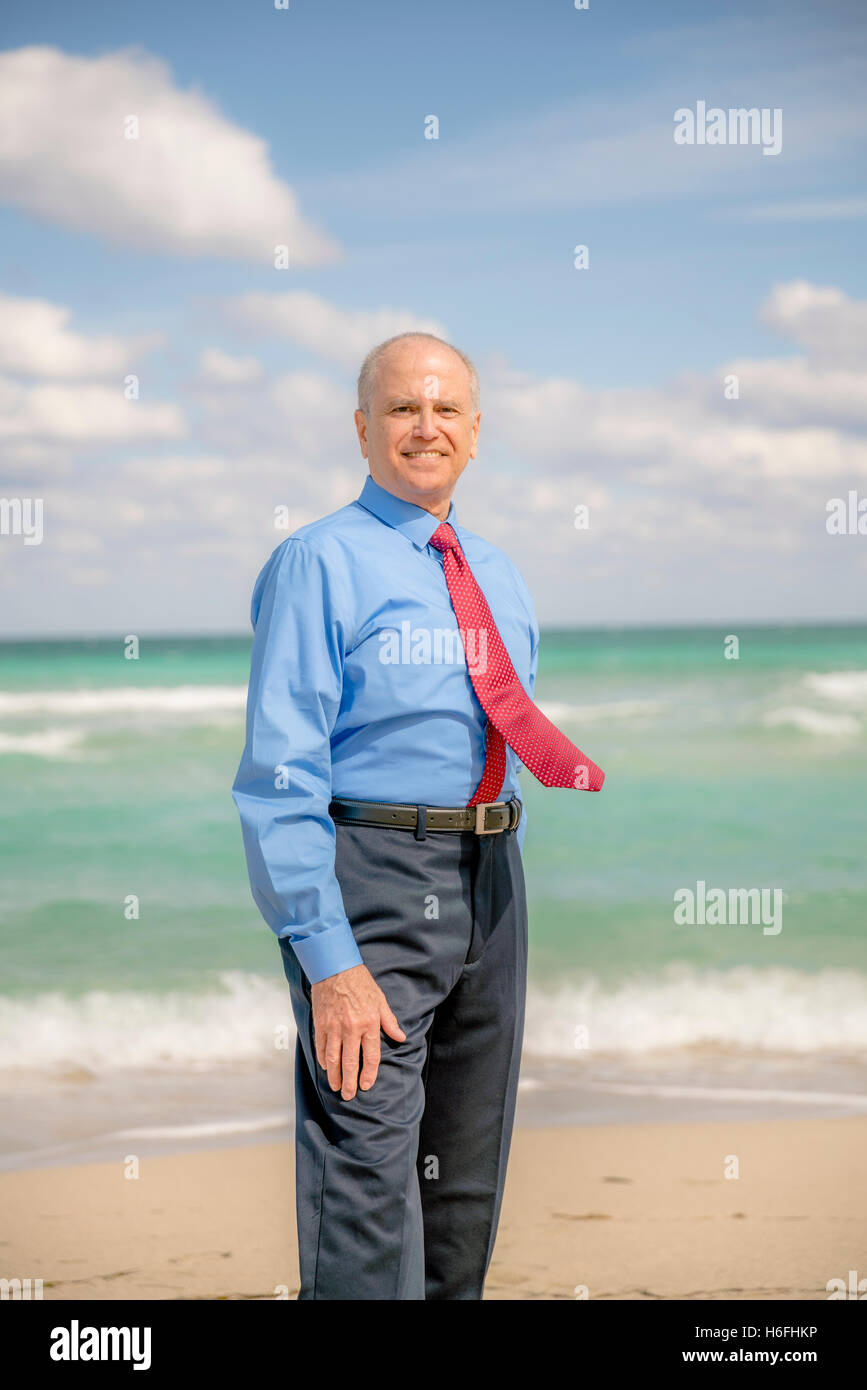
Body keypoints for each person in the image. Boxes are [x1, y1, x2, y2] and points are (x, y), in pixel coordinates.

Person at [231, 331, 604, 1300]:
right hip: (373, 880)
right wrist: (328, 955)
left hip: (493, 878)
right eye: (403, 408)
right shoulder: (316, 561)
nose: (425, 426)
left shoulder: (501, 573)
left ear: (476, 433)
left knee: (463, 1188)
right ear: (364, 429)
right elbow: (279, 775)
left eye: (446, 410)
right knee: (366, 1182)